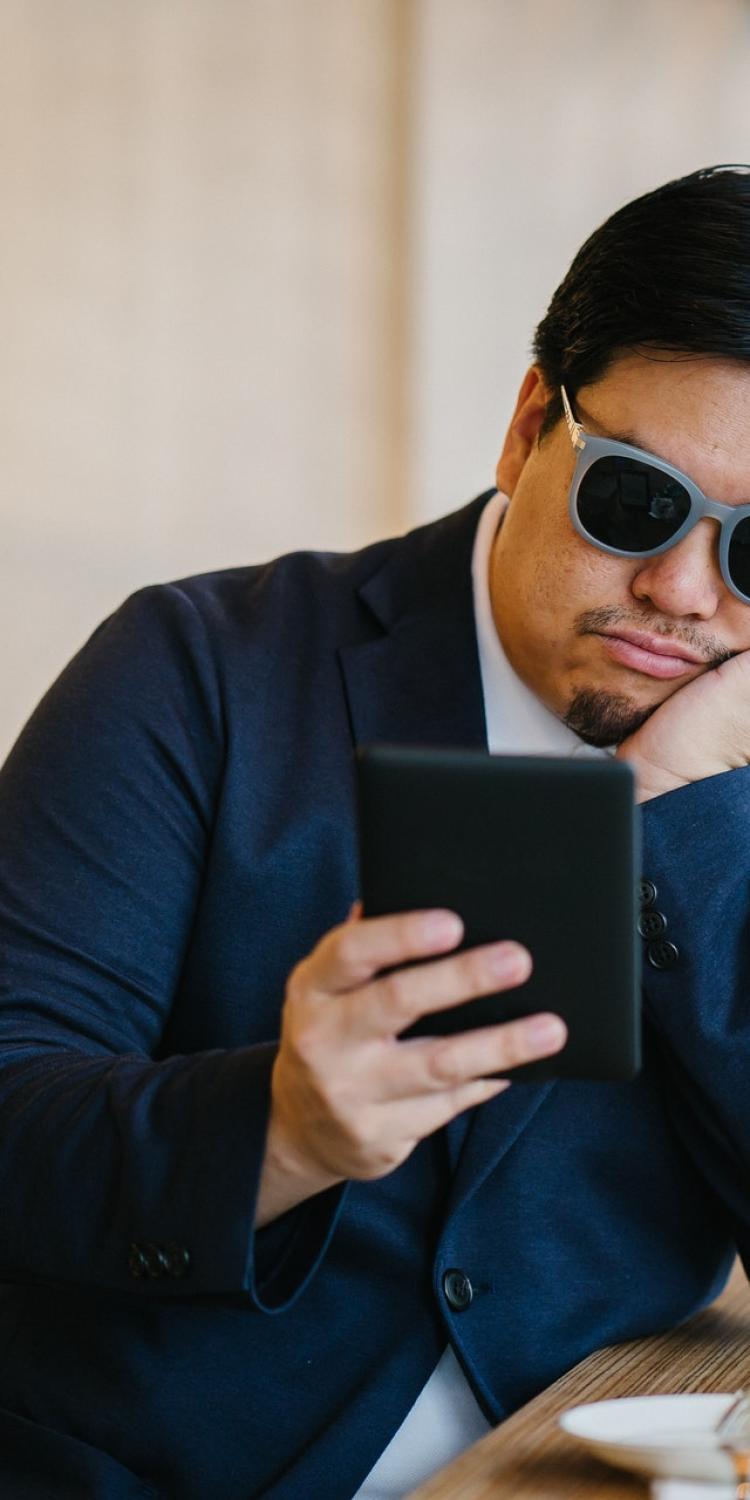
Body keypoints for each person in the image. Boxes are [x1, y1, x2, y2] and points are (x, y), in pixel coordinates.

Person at [2, 163, 750, 1500]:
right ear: (528, 427)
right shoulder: (197, 670)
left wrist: (676, 815)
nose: (680, 589)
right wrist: (279, 1129)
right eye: (634, 502)